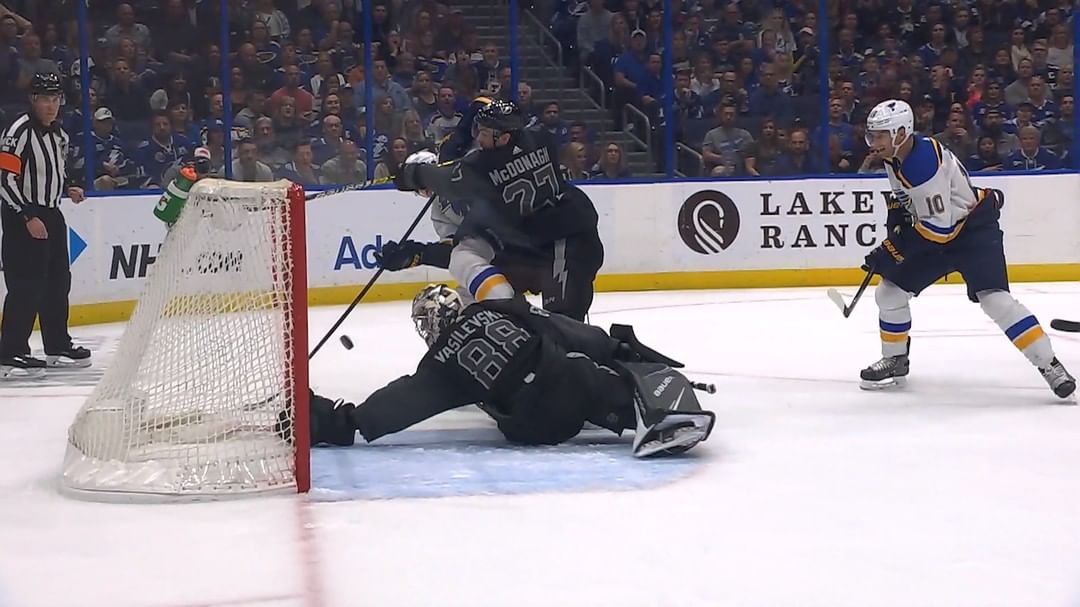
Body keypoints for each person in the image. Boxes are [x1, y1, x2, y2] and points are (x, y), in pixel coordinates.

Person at [292, 286, 715, 457]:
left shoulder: (439, 365)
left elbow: (402, 402)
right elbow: (563, 329)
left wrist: (341, 421)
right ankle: (642, 413)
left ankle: (622, 410)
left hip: (535, 426)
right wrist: (615, 348)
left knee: (518, 401)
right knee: (582, 376)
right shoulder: (495, 308)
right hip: (568, 382)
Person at [858, 99, 1074, 398]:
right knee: (889, 293)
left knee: (995, 301)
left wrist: (892, 250)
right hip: (939, 230)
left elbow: (940, 230)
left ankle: (1050, 365)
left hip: (972, 231)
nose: (874, 142)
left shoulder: (922, 165)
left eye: (880, 135)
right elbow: (910, 203)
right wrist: (896, 219)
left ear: (901, 133)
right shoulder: (896, 154)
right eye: (873, 135)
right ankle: (895, 359)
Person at [384, 99, 605, 321]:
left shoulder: (480, 166)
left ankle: (519, 314)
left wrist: (409, 176)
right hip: (532, 238)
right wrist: (418, 254)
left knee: (564, 324)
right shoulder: (541, 137)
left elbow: (449, 178)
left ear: (504, 138)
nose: (479, 139)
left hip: (565, 237)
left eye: (484, 133)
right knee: (473, 294)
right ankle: (510, 312)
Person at [0, 73, 89, 377]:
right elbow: (5, 179)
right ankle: (11, 351)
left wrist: (68, 187)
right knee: (26, 284)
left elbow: (54, 171)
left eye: (55, 99)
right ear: (33, 100)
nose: (51, 106)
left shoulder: (59, 134)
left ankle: (57, 344)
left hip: (51, 213)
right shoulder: (19, 131)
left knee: (57, 281)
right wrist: (27, 215)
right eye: (45, 99)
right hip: (22, 215)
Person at [152, 147, 216, 227]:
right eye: (198, 162)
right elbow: (165, 190)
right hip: (178, 217)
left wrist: (204, 178)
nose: (201, 167)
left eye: (205, 164)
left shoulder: (212, 180)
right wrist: (184, 177)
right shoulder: (178, 172)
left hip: (200, 220)